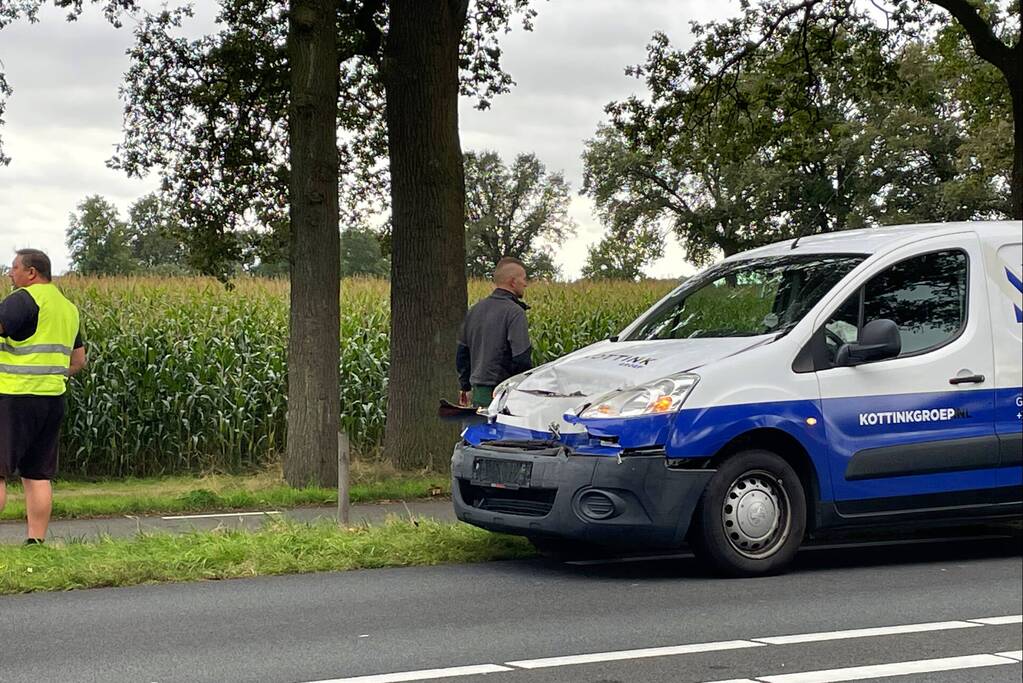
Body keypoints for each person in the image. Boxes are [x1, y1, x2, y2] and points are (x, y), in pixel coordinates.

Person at [0, 249, 86, 545]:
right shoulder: (67, 308)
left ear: (31, 272)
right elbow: (78, 361)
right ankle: (36, 542)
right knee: (37, 474)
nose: (10, 274)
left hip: (13, 396)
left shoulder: (23, 299)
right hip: (51, 399)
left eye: (13, 268)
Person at [456, 256, 533, 408]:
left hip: (478, 394)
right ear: (512, 282)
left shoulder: (474, 310)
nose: (525, 284)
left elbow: (462, 355)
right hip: (503, 394)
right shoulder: (515, 312)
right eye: (523, 279)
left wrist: (464, 387)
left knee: (480, 430)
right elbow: (521, 358)